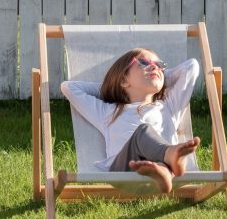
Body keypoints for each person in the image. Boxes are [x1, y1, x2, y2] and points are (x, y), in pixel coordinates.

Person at [60, 48, 201, 193]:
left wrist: (160, 76)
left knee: (158, 159)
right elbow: (69, 87)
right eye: (143, 62)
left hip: (162, 167)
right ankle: (169, 155)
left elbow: (191, 66)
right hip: (124, 171)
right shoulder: (109, 112)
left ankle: (162, 173)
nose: (154, 66)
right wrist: (112, 86)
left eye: (159, 64)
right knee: (143, 131)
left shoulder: (169, 106)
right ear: (123, 80)